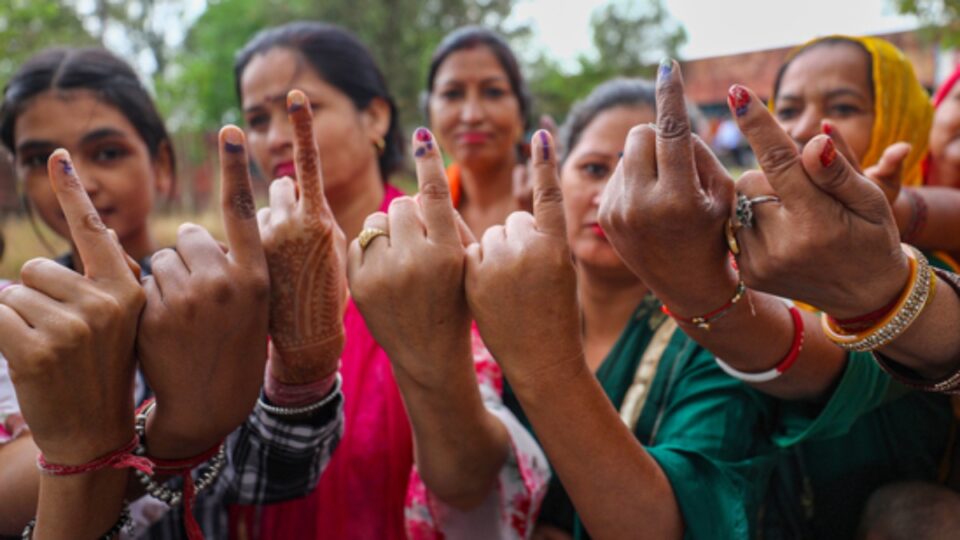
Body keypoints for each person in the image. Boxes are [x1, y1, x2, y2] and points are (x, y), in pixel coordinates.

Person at [599, 56, 953, 538]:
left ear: (900, 119)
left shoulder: (930, 262)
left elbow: (835, 367)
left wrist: (702, 291)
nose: (805, 126)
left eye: (843, 107)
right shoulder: (753, 255)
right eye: (786, 108)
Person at [411, 77, 781, 539]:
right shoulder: (507, 304)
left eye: (648, 173)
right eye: (592, 169)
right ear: (555, 176)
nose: (611, 197)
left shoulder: (722, 334)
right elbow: (461, 484)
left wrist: (545, 365)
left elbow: (676, 523)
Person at [0, 47, 345, 539]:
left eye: (107, 152)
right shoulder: (16, 314)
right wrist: (173, 432)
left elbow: (270, 476)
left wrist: (302, 371)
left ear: (161, 164)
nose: (78, 182)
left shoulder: (213, 297)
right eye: (40, 160)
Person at [232, 22, 546, 539]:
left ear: (375, 115)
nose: (273, 138)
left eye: (299, 109)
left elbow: (476, 478)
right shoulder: (249, 269)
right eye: (255, 119)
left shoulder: (438, 250)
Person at [424, 26, 534, 236]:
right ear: (429, 111)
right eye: (452, 94)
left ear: (521, 109)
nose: (471, 116)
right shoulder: (421, 215)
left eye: (493, 92)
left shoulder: (560, 202)